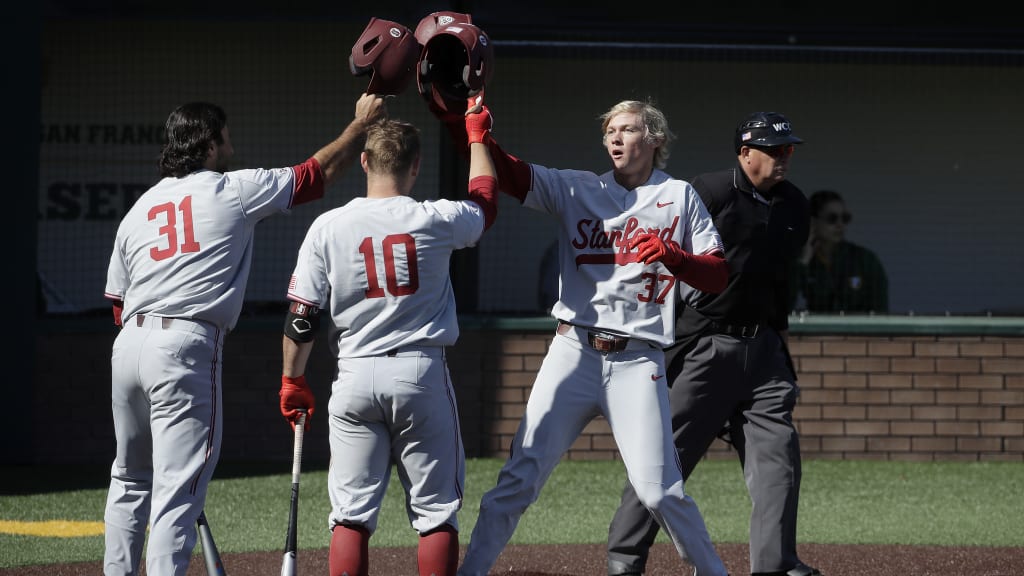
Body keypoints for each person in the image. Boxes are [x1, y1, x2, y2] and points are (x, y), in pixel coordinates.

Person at [430, 96, 731, 576]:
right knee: (520, 476)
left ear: (655, 139)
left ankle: (715, 571)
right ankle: (472, 572)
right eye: (610, 129)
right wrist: (474, 132)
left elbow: (717, 275)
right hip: (574, 351)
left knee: (658, 490)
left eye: (628, 129)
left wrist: (675, 258)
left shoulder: (679, 196)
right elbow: (509, 175)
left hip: (638, 359)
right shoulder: (577, 188)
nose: (615, 137)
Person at [101, 93, 385, 576]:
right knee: (177, 490)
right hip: (185, 344)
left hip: (129, 345)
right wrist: (358, 127)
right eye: (225, 136)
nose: (230, 145)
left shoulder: (139, 208)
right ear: (210, 142)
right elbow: (315, 177)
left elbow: (118, 305)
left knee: (129, 478)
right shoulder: (230, 188)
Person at [277, 101, 498, 576]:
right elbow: (485, 203)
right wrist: (477, 137)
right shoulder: (434, 218)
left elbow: (302, 317)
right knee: (436, 512)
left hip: (354, 374)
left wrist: (291, 380)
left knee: (351, 515)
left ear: (363, 161)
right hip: (420, 373)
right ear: (415, 165)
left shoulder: (328, 226)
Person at [606, 111, 823, 576]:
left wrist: (782, 348)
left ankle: (776, 564)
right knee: (664, 460)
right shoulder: (708, 192)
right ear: (745, 153)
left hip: (762, 349)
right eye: (774, 150)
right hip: (705, 344)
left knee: (779, 458)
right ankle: (625, 558)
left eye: (788, 150)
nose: (784, 158)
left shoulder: (794, 205)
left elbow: (782, 281)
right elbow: (663, 265)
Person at [793, 189, 889, 314]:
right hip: (817, 332)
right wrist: (803, 261)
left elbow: (880, 312)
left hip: (859, 332)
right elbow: (784, 305)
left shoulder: (865, 260)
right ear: (812, 222)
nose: (840, 224)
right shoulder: (800, 259)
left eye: (845, 218)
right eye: (831, 218)